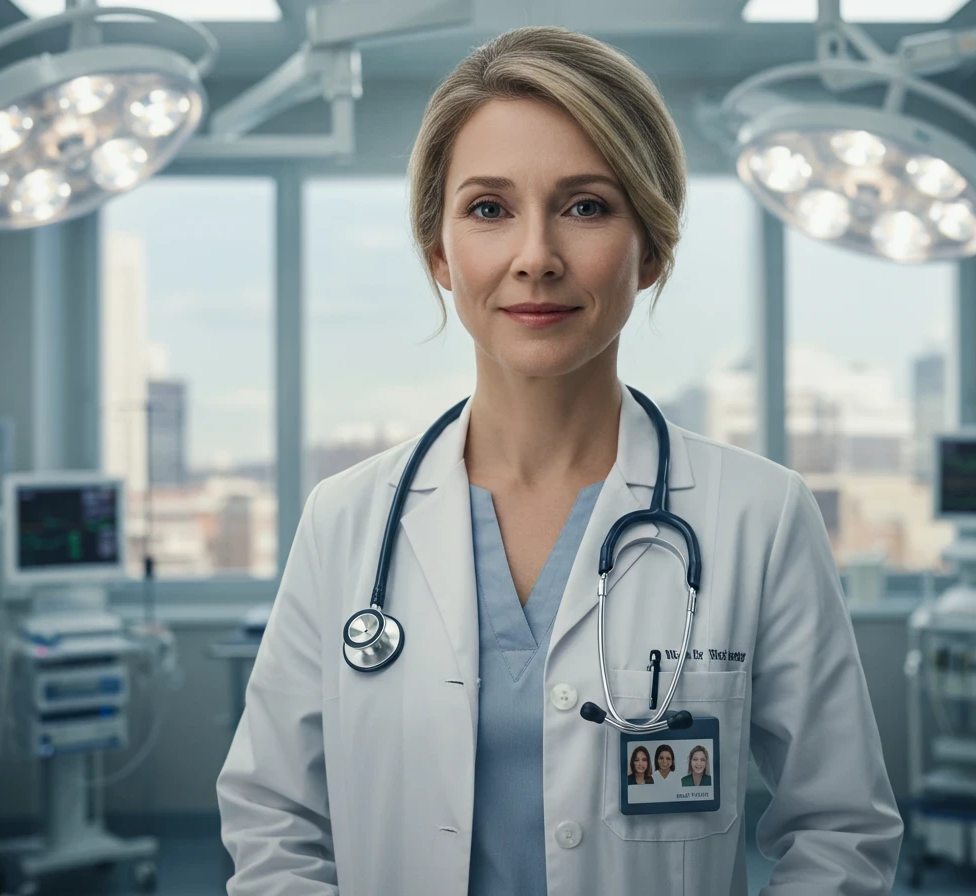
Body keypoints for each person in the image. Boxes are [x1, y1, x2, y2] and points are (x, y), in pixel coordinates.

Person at [216, 24, 902, 896]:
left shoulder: (759, 517)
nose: (535, 257)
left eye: (586, 206)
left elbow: (839, 830)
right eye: (489, 209)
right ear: (440, 252)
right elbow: (273, 819)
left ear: (650, 248)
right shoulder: (346, 520)